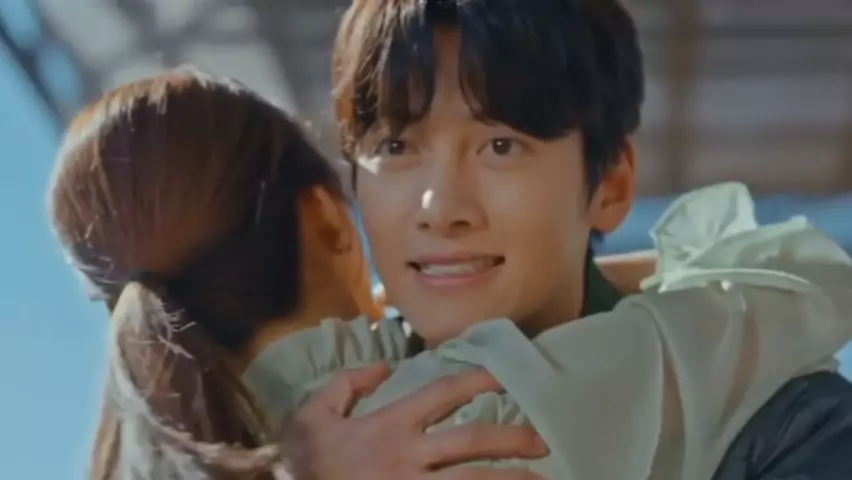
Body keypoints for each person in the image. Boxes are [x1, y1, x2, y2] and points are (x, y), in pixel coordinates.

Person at [272, 0, 852, 478]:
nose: (440, 210)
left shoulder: (780, 421)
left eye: (500, 146)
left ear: (610, 185)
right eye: (396, 147)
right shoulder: (300, 413)